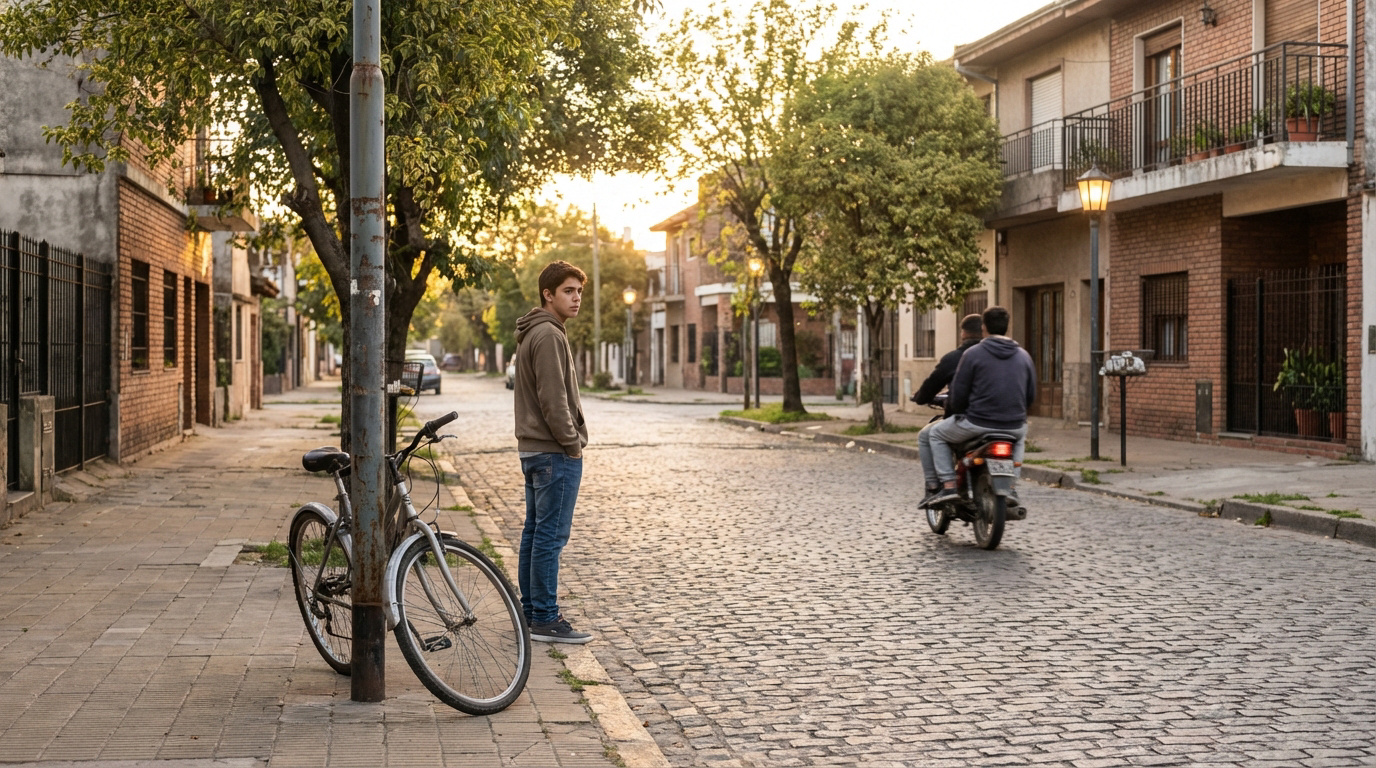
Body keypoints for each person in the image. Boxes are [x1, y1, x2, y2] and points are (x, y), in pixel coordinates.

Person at [512, 260, 592, 644]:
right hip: (552, 452)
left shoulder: (539, 332)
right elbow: (553, 399)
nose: (576, 298)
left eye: (579, 291)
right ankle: (544, 617)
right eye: (568, 291)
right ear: (548, 294)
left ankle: (531, 613)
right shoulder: (547, 335)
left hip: (535, 451)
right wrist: (572, 445)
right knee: (549, 537)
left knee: (536, 532)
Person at [926, 306, 1036, 507]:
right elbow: (1030, 396)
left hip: (977, 422)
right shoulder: (1024, 356)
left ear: (984, 327)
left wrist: (957, 410)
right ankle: (1011, 486)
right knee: (1020, 437)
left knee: (935, 434)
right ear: (1006, 327)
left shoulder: (973, 354)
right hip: (1014, 424)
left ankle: (949, 485)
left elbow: (958, 395)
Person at [912, 314, 985, 506]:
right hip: (1005, 419)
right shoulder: (997, 355)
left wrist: (920, 397)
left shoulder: (956, 358)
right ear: (984, 331)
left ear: (963, 333)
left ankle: (938, 486)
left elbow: (934, 386)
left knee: (929, 435)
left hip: (969, 419)